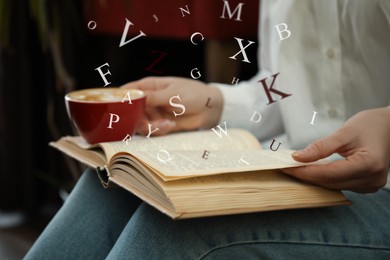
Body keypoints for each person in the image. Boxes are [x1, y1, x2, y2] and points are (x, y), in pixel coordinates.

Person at [26, 0, 390, 259]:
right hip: (293, 166)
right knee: (114, 181)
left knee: (180, 231)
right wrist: (214, 101)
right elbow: (285, 84)